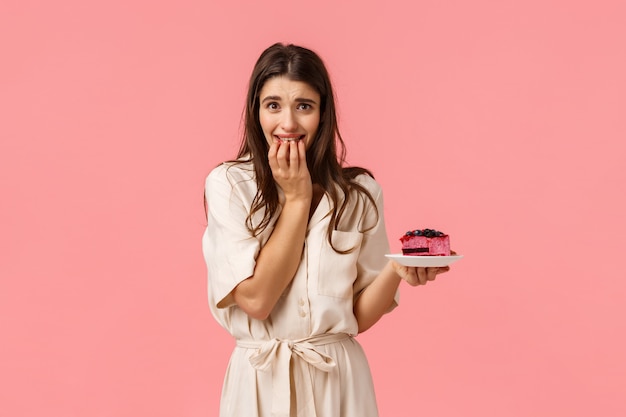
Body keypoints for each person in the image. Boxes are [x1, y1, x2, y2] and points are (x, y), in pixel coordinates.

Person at [202, 43, 451, 417]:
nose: (288, 123)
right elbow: (255, 301)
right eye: (273, 105)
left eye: (304, 106)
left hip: (340, 382)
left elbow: (356, 316)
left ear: (323, 114)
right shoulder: (229, 185)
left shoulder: (361, 194)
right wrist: (297, 200)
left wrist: (395, 272)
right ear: (256, 113)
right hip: (260, 384)